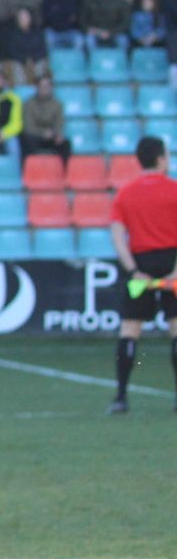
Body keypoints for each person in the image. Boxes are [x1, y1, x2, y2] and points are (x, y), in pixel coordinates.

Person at [107, 136, 177, 414]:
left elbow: (117, 237)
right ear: (161, 158)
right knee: (175, 329)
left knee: (130, 330)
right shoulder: (174, 190)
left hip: (141, 263)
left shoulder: (125, 193)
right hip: (172, 261)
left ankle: (121, 397)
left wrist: (134, 270)